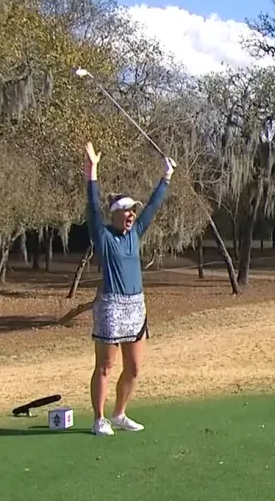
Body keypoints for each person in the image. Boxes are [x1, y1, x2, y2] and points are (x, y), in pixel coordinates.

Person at [84, 141, 174, 436]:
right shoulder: (103, 235)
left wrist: (166, 177)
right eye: (125, 211)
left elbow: (153, 207)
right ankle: (99, 419)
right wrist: (92, 170)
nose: (132, 214)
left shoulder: (135, 233)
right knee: (106, 366)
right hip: (111, 306)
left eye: (132, 211)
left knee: (134, 368)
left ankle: (120, 414)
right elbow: (91, 207)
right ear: (113, 214)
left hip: (136, 307)